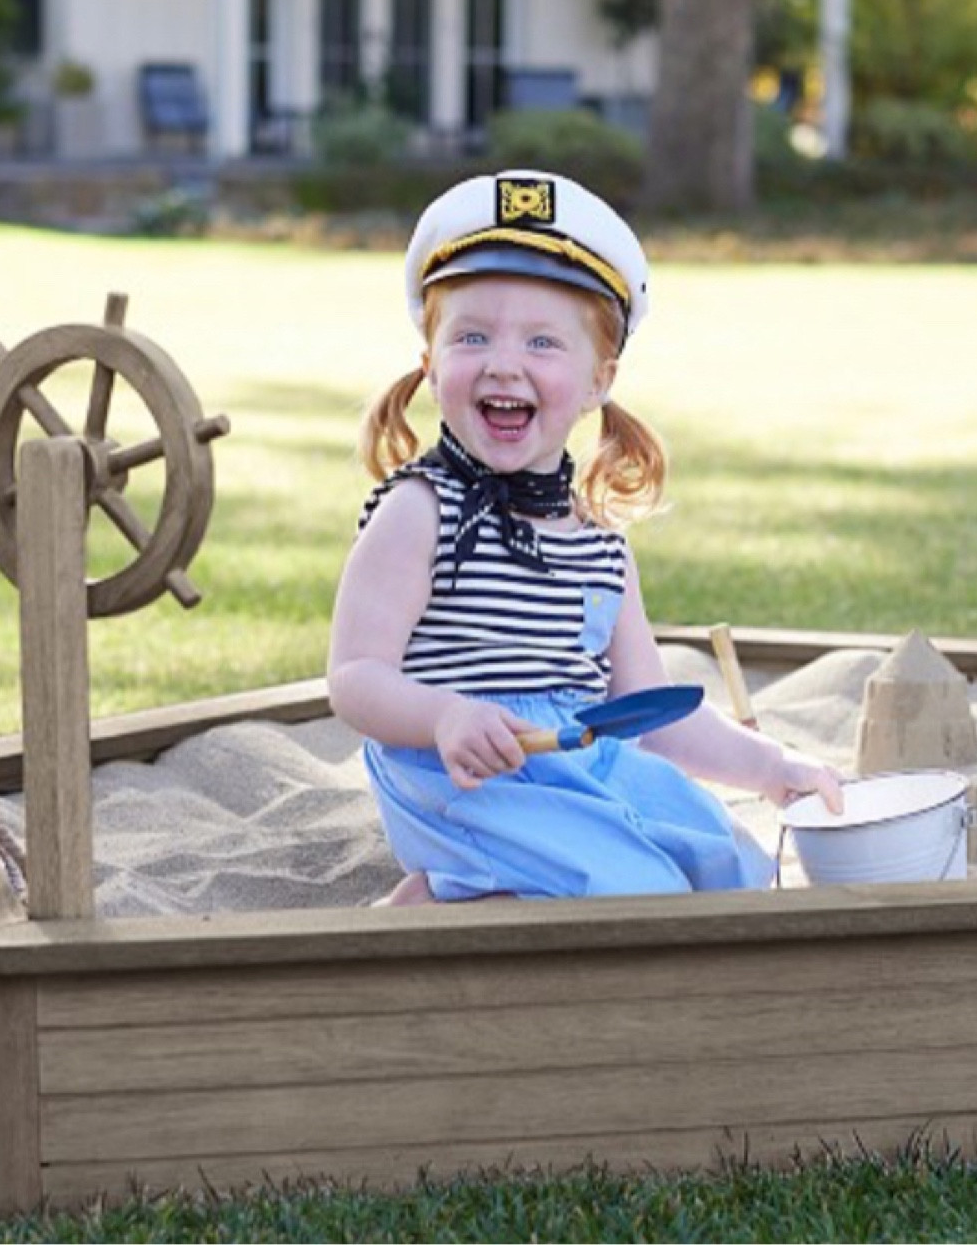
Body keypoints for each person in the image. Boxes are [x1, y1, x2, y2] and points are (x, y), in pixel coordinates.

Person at [327, 168, 843, 904]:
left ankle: (473, 892)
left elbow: (649, 714)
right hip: (467, 774)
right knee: (627, 888)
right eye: (472, 336)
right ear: (431, 367)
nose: (505, 362)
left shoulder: (599, 541)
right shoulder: (420, 510)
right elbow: (353, 678)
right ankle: (438, 899)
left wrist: (770, 768)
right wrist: (444, 714)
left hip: (584, 764)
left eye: (543, 343)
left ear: (600, 380)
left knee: (729, 867)